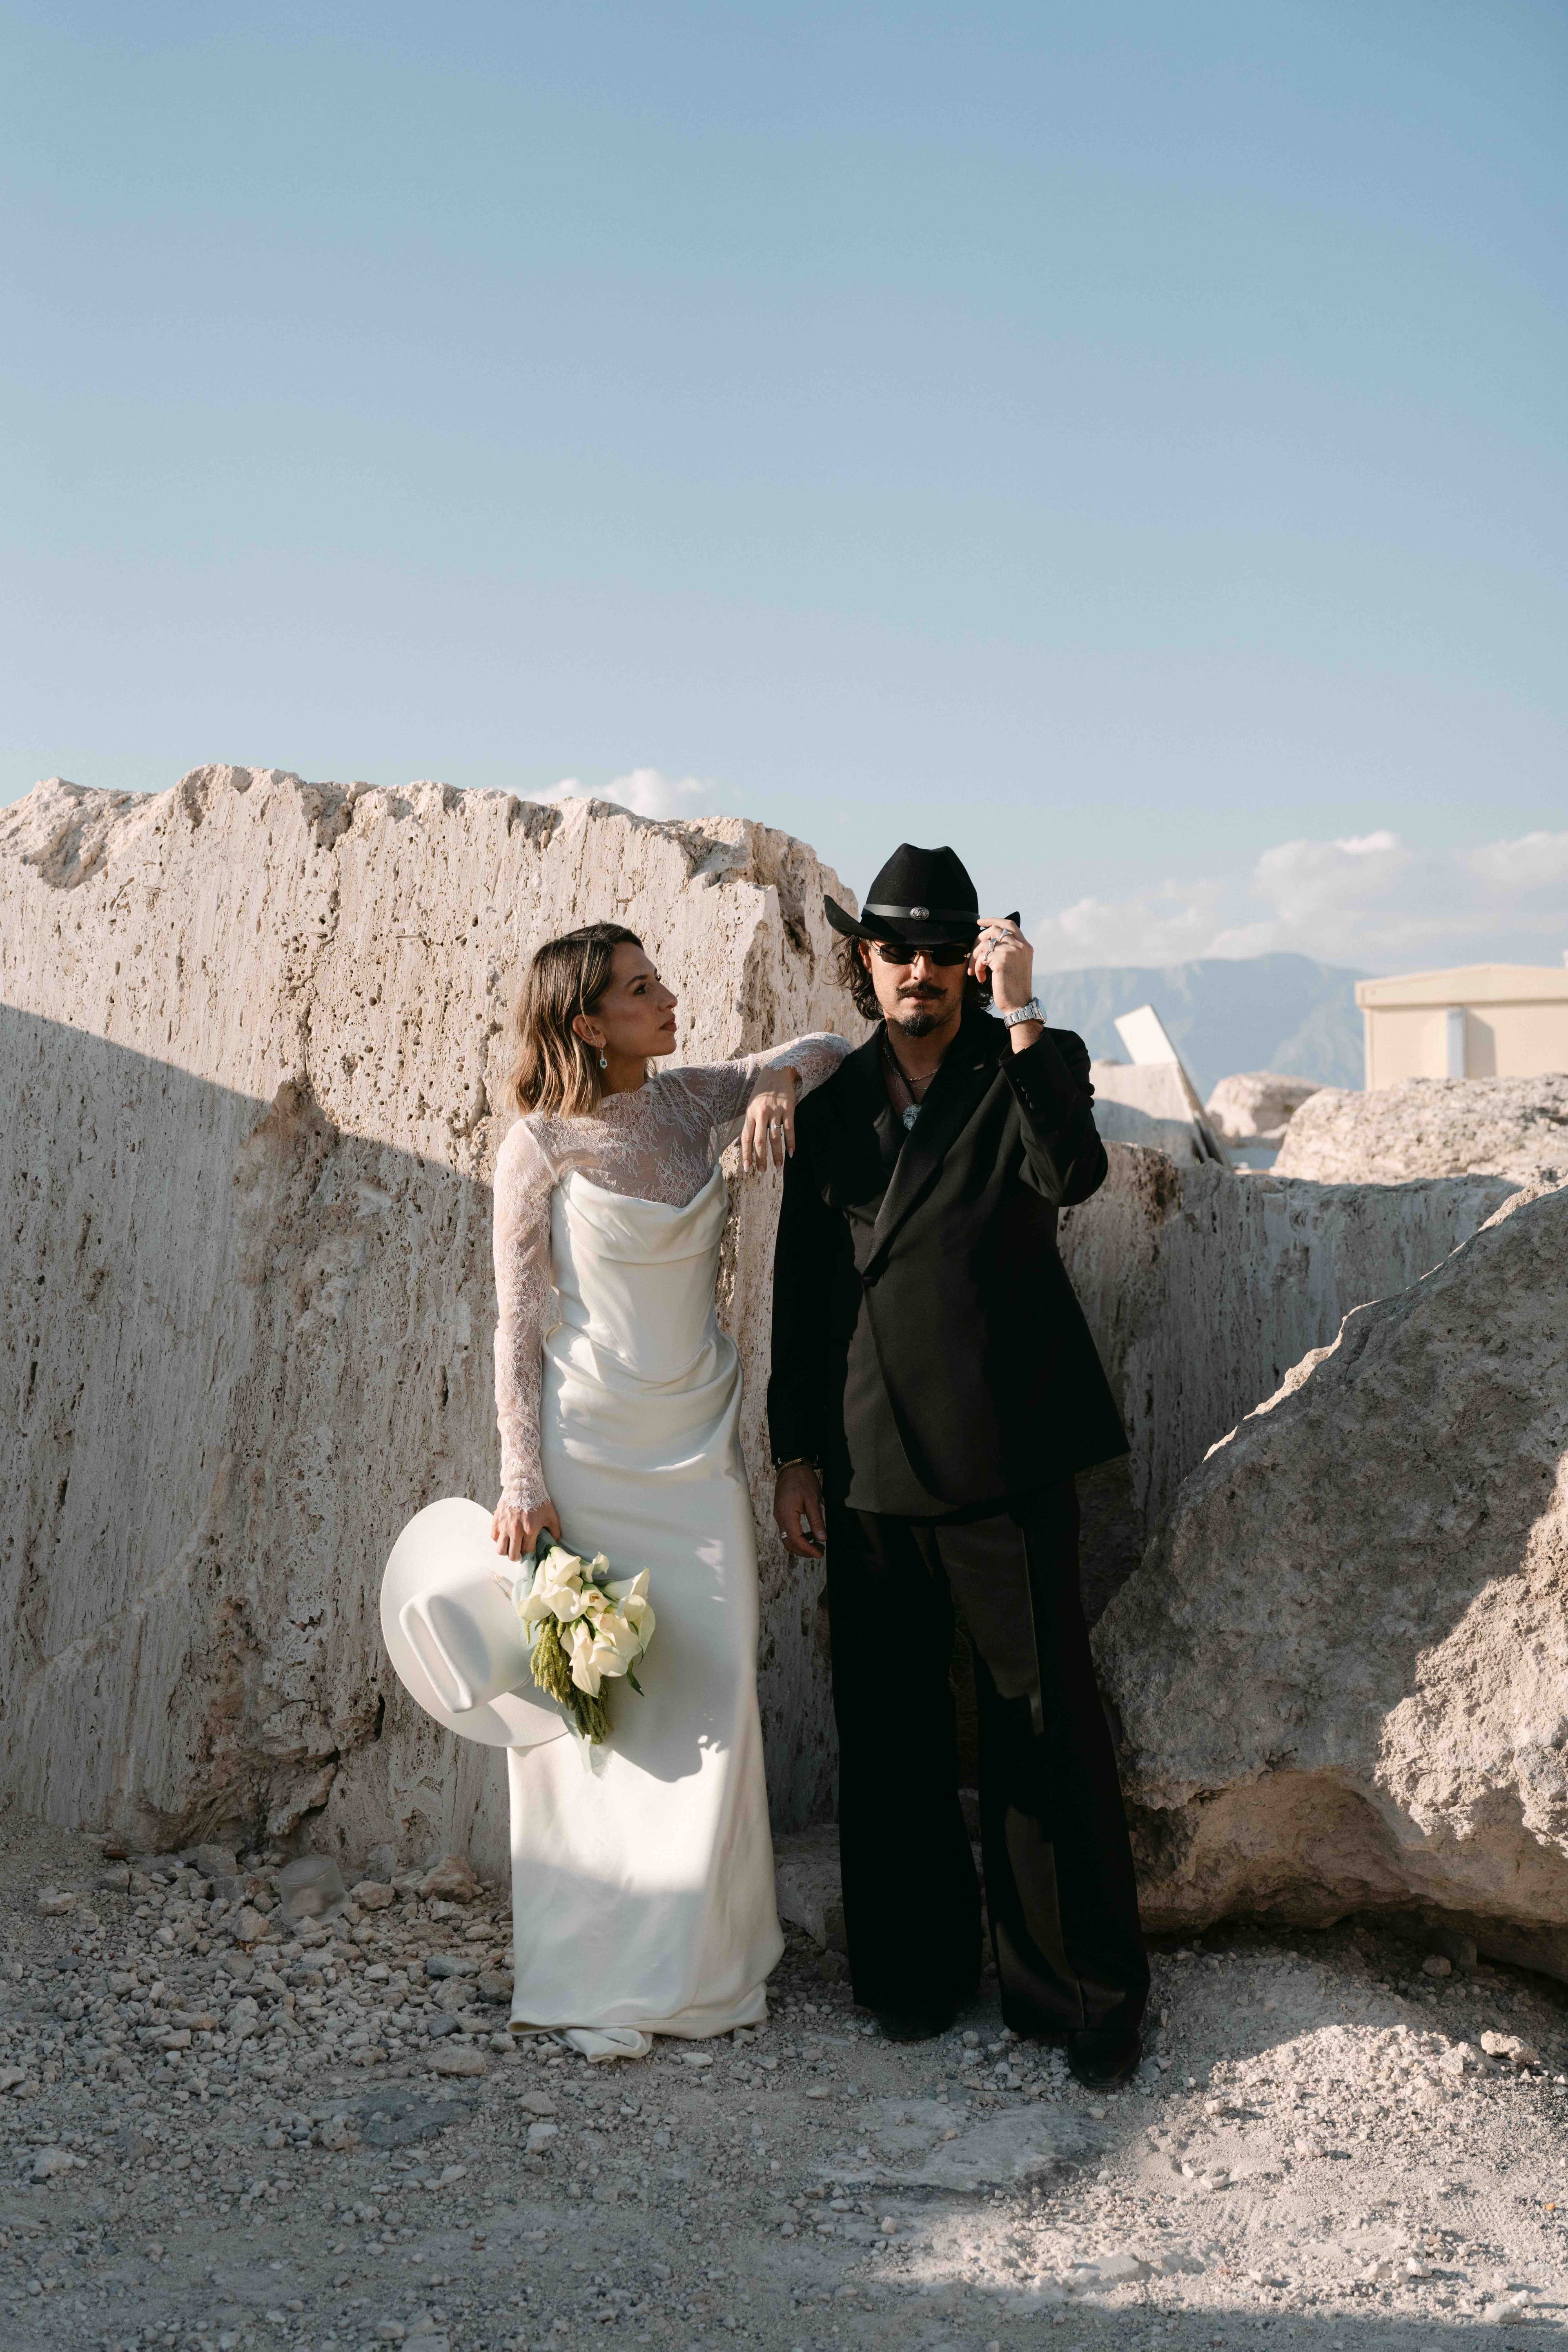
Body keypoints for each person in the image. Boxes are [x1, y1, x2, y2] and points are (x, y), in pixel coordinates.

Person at [767, 843, 1149, 2087]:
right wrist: (793, 1454)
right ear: (864, 962)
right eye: (897, 952)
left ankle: (1082, 1994)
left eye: (943, 952)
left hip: (1008, 1453)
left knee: (1043, 1730)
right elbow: (803, 1295)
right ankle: (913, 1978)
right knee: (890, 1737)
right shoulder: (829, 1112)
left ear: (974, 960)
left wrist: (1026, 1009)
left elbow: (1073, 1174)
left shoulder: (1034, 1063)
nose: (919, 972)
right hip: (871, 1463)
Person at [490, 921, 851, 2059]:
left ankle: (702, 1972)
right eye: (641, 990)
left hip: (698, 1453)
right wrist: (521, 1481)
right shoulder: (537, 1146)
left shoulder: (697, 1101)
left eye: (659, 981)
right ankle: (599, 1968)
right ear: (586, 1022)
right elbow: (515, 1326)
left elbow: (836, 1044)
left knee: (713, 1691)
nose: (667, 997)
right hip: (591, 1452)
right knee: (605, 1715)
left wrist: (778, 1084)